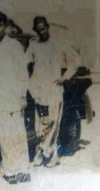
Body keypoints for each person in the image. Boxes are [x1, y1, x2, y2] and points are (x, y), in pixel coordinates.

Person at [26, 16, 81, 168]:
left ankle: (48, 153)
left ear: (48, 27)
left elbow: (75, 61)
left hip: (54, 88)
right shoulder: (34, 45)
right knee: (41, 124)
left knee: (53, 122)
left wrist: (65, 77)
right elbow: (25, 62)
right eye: (38, 30)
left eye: (43, 29)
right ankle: (46, 153)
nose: (41, 32)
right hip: (38, 90)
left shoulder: (59, 43)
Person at [0, 11, 30, 184]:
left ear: (5, 25)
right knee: (4, 135)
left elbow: (22, 72)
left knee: (17, 134)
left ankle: (23, 169)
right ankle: (10, 168)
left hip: (14, 96)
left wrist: (23, 95)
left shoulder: (15, 45)